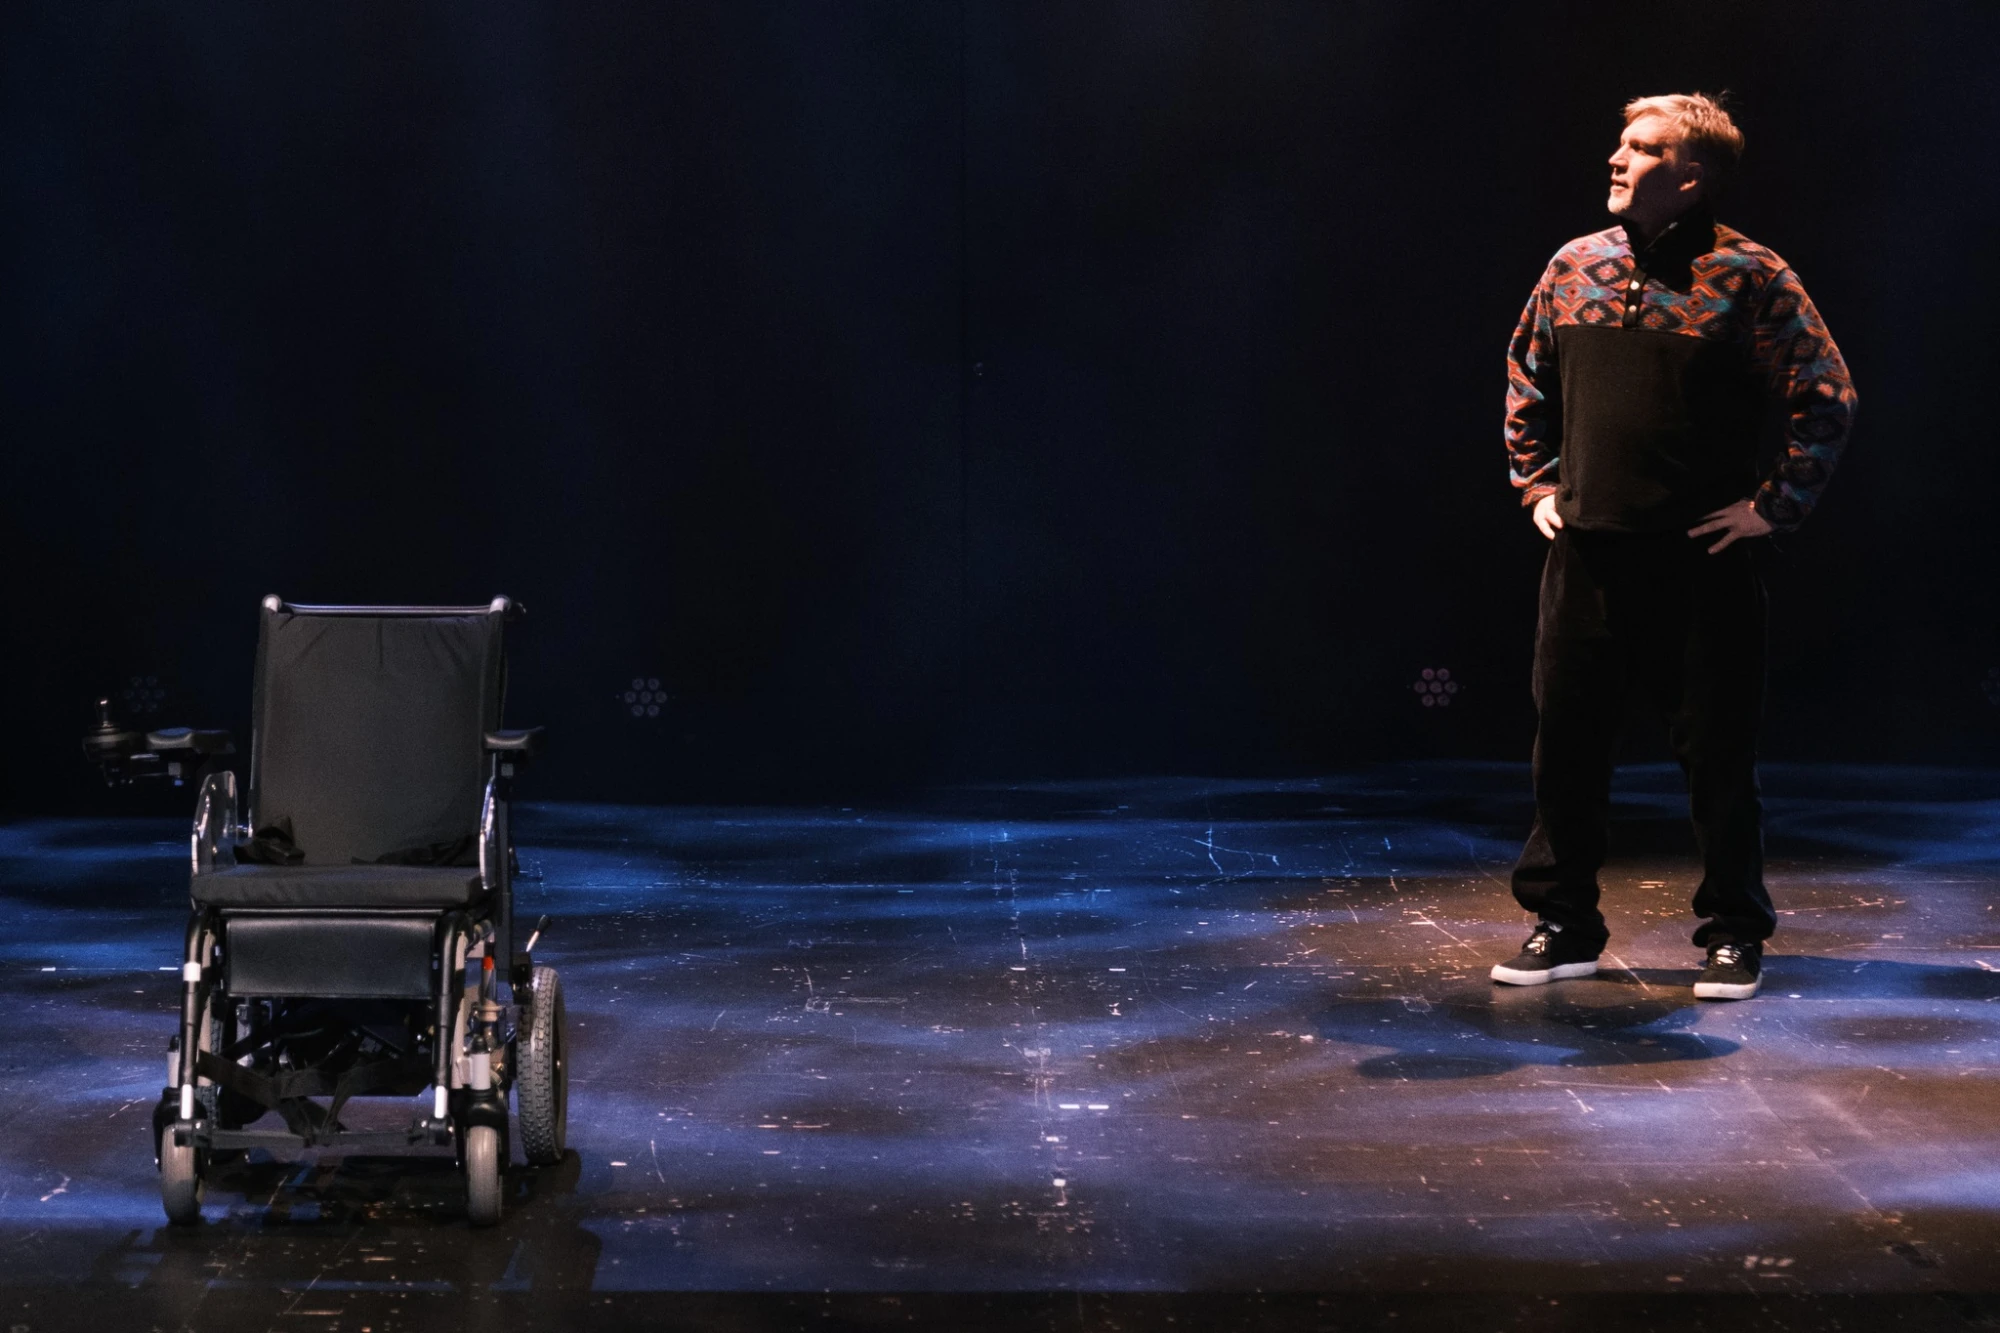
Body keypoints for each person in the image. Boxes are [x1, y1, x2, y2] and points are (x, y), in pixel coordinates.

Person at [1490, 93, 1856, 1001]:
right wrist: (1537, 483)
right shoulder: (1575, 264)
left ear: (1690, 176)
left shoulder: (1749, 275)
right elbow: (1526, 373)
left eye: (1642, 147)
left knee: (1718, 756)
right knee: (1567, 748)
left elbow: (1826, 394)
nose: (1617, 158)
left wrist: (1773, 507)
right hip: (1587, 556)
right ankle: (1564, 922)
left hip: (1700, 561)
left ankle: (1733, 931)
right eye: (1621, 143)